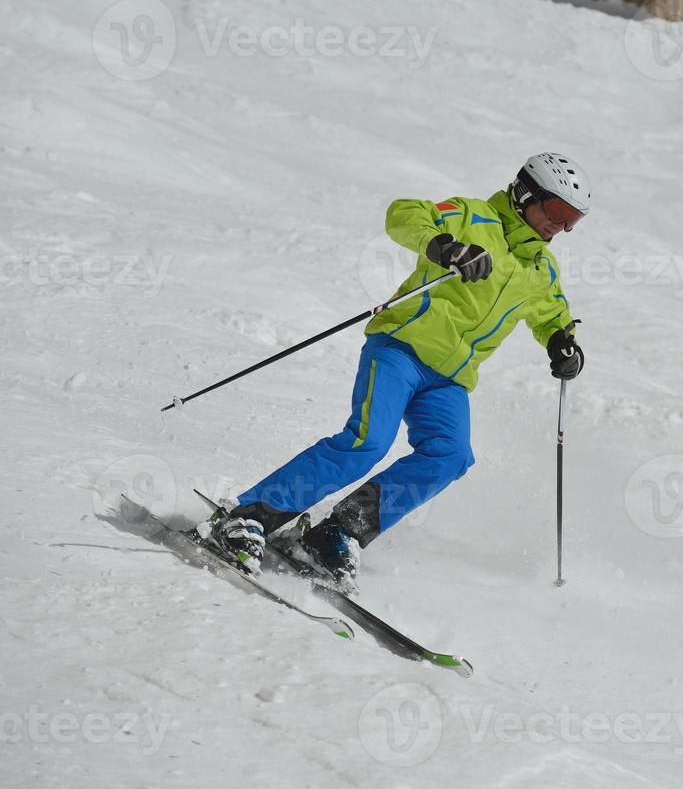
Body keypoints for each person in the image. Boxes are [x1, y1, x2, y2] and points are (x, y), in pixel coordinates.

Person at [205, 152, 589, 585]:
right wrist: (443, 246)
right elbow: (403, 214)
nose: (561, 225)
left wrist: (561, 341)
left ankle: (338, 531)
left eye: (572, 219)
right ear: (525, 194)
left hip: (449, 380)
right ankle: (250, 515)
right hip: (400, 350)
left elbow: (551, 312)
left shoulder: (540, 267)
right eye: (557, 210)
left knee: (451, 456)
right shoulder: (472, 217)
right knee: (367, 441)